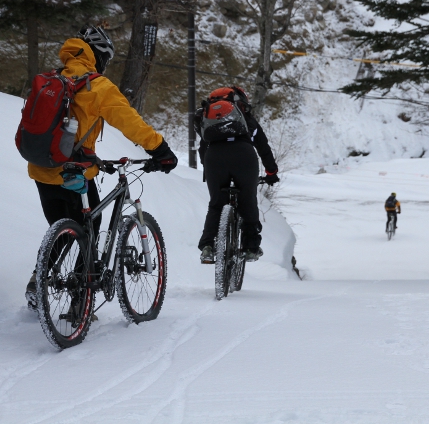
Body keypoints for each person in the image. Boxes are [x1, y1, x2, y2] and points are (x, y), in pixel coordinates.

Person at [25, 25, 177, 308]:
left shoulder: (51, 78)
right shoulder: (97, 86)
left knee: (64, 228)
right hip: (73, 171)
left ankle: (40, 279)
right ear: (99, 56)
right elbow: (130, 122)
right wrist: (160, 150)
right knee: (89, 227)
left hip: (40, 168)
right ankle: (79, 303)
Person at [194, 86, 279, 264]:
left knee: (216, 204)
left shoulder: (209, 120)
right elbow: (263, 147)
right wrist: (271, 172)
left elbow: (203, 148)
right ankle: (250, 248)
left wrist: (207, 168)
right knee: (248, 200)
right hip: (243, 156)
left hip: (214, 159)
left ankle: (208, 247)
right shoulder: (247, 120)